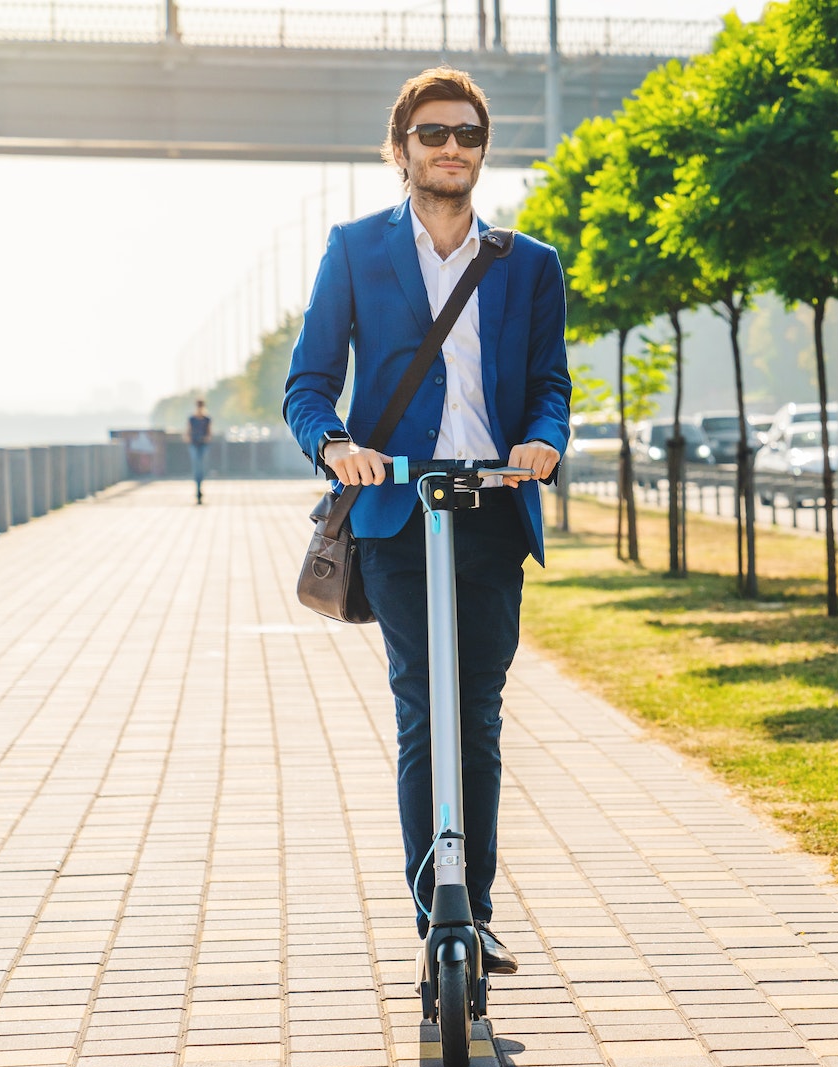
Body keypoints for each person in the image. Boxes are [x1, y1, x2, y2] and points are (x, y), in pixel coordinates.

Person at [282, 66, 569, 975]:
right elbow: (309, 384)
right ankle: (432, 908)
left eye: (469, 135)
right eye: (434, 134)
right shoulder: (358, 249)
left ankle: (472, 910)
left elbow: (551, 386)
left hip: (488, 509)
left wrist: (543, 442)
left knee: (473, 711)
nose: (453, 148)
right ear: (401, 148)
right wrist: (336, 447)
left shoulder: (528, 263)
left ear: (484, 150)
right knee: (423, 708)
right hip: (396, 510)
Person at [187, 400, 212, 504]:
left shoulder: (207, 419)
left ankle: (199, 488)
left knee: (201, 468)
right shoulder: (192, 419)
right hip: (194, 445)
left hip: (203, 445)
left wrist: (205, 438)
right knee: (197, 467)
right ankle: (198, 490)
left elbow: (209, 433)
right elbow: (188, 432)